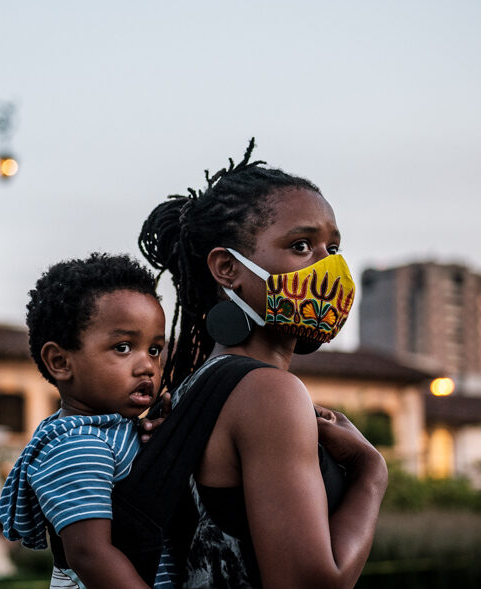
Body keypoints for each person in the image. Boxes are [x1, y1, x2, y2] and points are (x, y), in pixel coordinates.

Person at [132, 139, 388, 588]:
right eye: (302, 245)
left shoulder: (197, 386)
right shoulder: (270, 392)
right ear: (227, 269)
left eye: (332, 248)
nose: (329, 268)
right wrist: (370, 472)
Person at [0, 253, 176, 588]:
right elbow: (90, 555)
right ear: (60, 361)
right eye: (123, 347)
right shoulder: (77, 444)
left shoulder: (114, 431)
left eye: (154, 349)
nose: (147, 366)